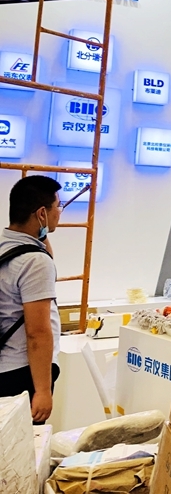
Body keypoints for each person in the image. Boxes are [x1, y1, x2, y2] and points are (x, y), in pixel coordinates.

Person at [0, 176, 62, 423]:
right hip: (23, 372)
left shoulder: (6, 246)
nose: (60, 212)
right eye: (58, 206)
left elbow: (44, 254)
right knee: (25, 442)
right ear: (41, 214)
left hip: (5, 365)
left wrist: (41, 233)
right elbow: (37, 332)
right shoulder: (35, 262)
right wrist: (43, 391)